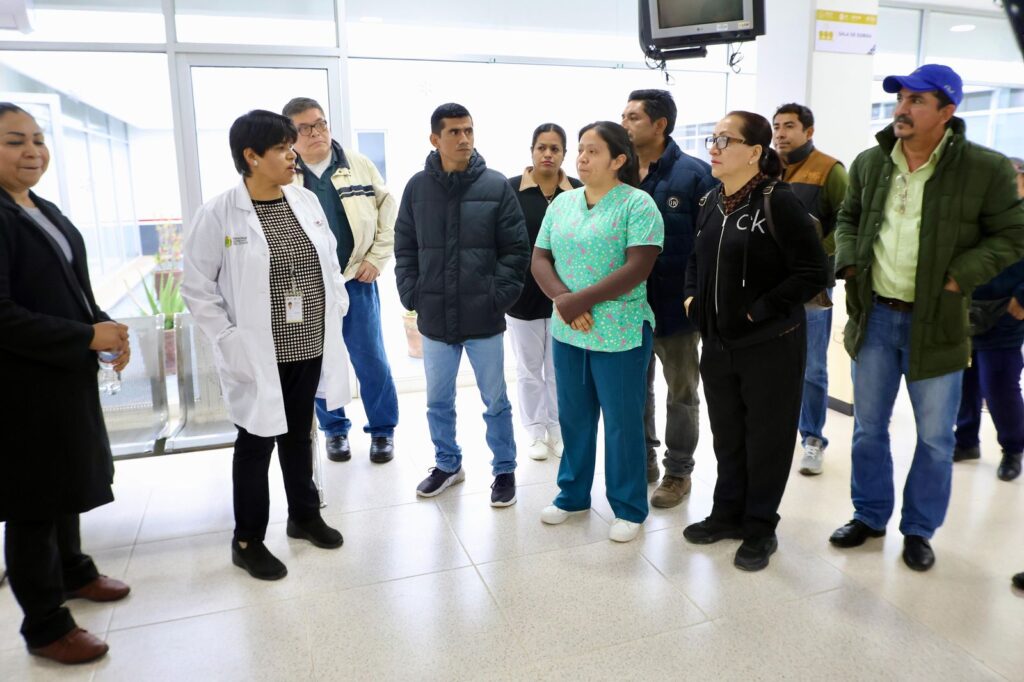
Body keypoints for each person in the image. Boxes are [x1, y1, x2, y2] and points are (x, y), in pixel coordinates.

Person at [828, 64, 1024, 572]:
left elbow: (1012, 235)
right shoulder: (872, 162)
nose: (902, 108)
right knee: (868, 429)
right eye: (900, 98)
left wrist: (960, 276)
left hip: (938, 322)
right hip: (874, 317)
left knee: (936, 439)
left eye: (916, 100)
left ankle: (918, 529)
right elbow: (848, 217)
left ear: (947, 111)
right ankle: (869, 515)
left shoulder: (984, 169)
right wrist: (849, 262)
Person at [182, 110, 350, 581]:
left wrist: (336, 305)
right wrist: (228, 339)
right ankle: (247, 540)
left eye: (290, 146)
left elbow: (329, 262)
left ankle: (304, 515)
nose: (292, 155)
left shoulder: (305, 200)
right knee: (255, 442)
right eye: (281, 148)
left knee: (299, 434)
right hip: (256, 353)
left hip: (308, 342)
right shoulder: (219, 213)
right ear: (251, 157)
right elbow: (197, 288)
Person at [0, 102, 131, 664]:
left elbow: (73, 289)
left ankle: (74, 571)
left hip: (61, 377)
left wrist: (104, 328)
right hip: (20, 386)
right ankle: (46, 625)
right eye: (15, 141)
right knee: (33, 501)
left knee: (66, 480)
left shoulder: (39, 206)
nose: (32, 151)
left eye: (38, 138)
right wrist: (85, 336)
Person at [682, 111, 827, 571]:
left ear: (754, 152)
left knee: (767, 438)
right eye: (713, 138)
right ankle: (727, 513)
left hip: (770, 344)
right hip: (717, 343)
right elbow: (695, 257)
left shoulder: (778, 201)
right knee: (728, 434)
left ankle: (761, 526)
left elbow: (813, 272)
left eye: (725, 140)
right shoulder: (711, 200)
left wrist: (758, 310)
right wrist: (691, 298)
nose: (714, 147)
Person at [532, 121, 664, 543]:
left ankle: (628, 507)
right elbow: (539, 258)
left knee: (623, 423)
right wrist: (563, 299)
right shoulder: (563, 203)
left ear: (618, 159)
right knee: (574, 417)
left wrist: (579, 301)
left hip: (620, 331)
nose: (582, 158)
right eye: (581, 150)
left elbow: (638, 266)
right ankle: (572, 495)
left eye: (593, 151)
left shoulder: (638, 204)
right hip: (569, 330)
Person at [394, 103, 530, 507]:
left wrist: (497, 296)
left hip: (483, 316)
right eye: (454, 132)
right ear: (435, 139)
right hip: (435, 317)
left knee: (495, 400)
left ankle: (504, 469)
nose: (464, 138)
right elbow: (405, 246)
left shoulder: (495, 186)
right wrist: (412, 293)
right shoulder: (417, 188)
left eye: (468, 130)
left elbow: (516, 250)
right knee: (438, 400)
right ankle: (447, 464)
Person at [283, 97, 399, 465]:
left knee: (371, 359)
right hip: (308, 286)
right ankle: (333, 430)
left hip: (356, 278)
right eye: (305, 128)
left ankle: (382, 430)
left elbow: (388, 213)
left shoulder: (357, 164)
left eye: (320, 123)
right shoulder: (285, 173)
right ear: (290, 136)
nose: (316, 132)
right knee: (317, 361)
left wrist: (376, 259)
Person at [622, 88, 715, 507]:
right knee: (634, 391)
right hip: (628, 308)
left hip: (677, 309)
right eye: (623, 116)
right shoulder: (619, 171)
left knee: (682, 393)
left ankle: (678, 471)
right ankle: (643, 459)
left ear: (660, 125)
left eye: (633, 117)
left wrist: (698, 300)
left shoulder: (695, 175)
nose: (624, 124)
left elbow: (708, 245)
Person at [773, 102, 849, 476]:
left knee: (812, 368)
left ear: (809, 131)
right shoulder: (767, 167)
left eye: (789, 126)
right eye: (776, 126)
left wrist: (817, 254)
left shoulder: (830, 170)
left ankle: (813, 439)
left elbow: (848, 221)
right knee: (773, 364)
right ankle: (775, 436)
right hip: (770, 285)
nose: (781, 133)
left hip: (811, 288)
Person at [507, 123, 581, 461]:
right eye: (542, 147)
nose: (548, 154)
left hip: (566, 295)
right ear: (532, 151)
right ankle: (535, 431)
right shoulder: (511, 189)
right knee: (528, 370)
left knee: (559, 371)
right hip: (523, 297)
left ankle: (557, 428)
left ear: (564, 154)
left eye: (555, 148)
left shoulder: (578, 191)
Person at [952, 156, 1024, 482]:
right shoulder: (980, 213)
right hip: (968, 308)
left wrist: (1022, 298)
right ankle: (966, 440)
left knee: (999, 385)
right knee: (964, 380)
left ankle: (1013, 448)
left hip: (1008, 312)